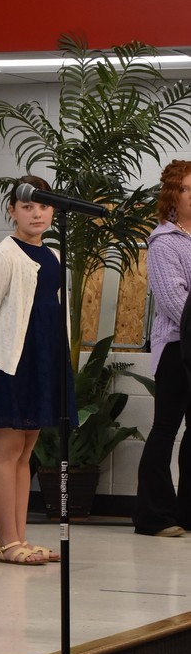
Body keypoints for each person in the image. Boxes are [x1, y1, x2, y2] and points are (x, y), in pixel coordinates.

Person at [0, 175, 77, 565]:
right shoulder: (5, 255)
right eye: (27, 206)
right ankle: (6, 541)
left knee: (26, 451)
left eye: (43, 205)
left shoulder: (51, 254)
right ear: (11, 211)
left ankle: (18, 537)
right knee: (7, 449)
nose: (37, 213)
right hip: (11, 363)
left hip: (42, 360)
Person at [133, 160, 191, 537]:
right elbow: (174, 300)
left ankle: (186, 512)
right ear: (173, 196)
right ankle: (154, 515)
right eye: (189, 189)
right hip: (176, 349)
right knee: (166, 428)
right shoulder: (164, 242)